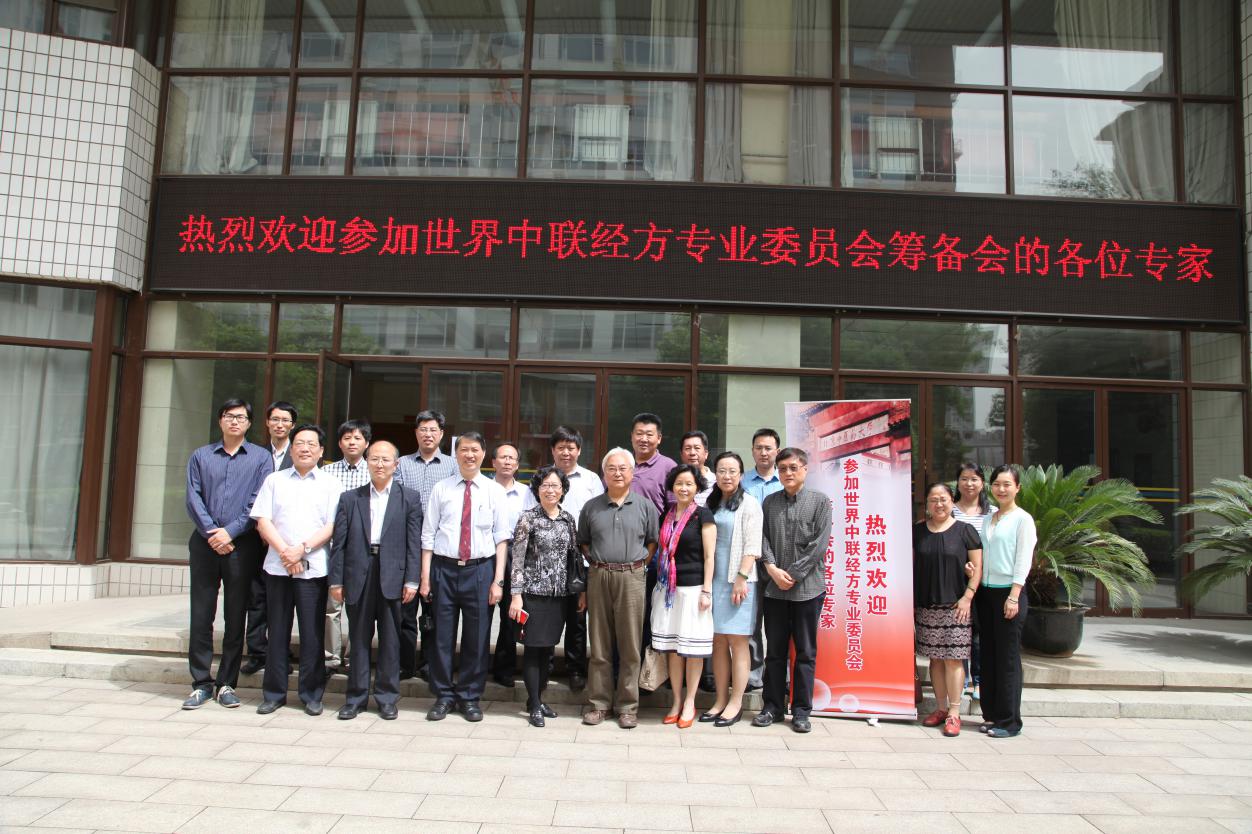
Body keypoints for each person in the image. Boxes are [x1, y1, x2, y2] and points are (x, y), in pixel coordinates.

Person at [182, 398, 272, 710]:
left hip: (242, 545)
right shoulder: (201, 456)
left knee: (235, 615)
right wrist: (212, 533)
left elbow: (258, 501)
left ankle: (226, 683)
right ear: (220, 420)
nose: (234, 421)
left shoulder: (261, 458)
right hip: (205, 543)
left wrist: (230, 532)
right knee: (201, 613)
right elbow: (193, 497)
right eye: (229, 416)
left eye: (241, 417)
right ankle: (200, 683)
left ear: (249, 423)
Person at [251, 424, 344, 716]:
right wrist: (286, 552)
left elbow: (332, 525)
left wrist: (301, 549)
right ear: (291, 450)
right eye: (299, 443)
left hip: (313, 570)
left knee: (312, 633)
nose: (305, 448)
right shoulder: (274, 480)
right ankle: (274, 693)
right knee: (277, 631)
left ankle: (311, 694)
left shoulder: (330, 484)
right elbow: (262, 520)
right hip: (278, 568)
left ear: (321, 451)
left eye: (311, 444)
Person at [419, 431, 511, 722]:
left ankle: (470, 697)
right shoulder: (441, 488)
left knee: (477, 637)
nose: (469, 455)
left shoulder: (494, 491)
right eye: (464, 450)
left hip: (480, 570)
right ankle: (444, 696)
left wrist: (498, 581)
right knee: (441, 637)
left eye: (474, 450)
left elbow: (501, 539)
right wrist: (425, 577)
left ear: (483, 454)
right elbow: (428, 535)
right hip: (443, 569)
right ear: (455, 454)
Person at [328, 440, 421, 720]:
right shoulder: (350, 498)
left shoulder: (409, 498)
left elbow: (413, 543)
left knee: (391, 640)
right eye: (374, 459)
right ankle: (355, 698)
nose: (380, 464)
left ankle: (387, 697)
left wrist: (412, 580)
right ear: (367, 462)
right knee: (358, 638)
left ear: (396, 464)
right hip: (359, 571)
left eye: (385, 459)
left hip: (393, 573)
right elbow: (339, 543)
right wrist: (336, 580)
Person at [752, 447, 832, 734]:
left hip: (808, 590)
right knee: (775, 652)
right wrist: (772, 569)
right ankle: (772, 707)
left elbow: (819, 545)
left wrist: (794, 574)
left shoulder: (820, 502)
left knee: (806, 653)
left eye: (793, 468)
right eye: (783, 468)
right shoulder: (770, 503)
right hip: (774, 590)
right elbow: (761, 539)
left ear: (805, 469)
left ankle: (801, 711)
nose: (787, 473)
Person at [579, 447, 659, 729]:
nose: (617, 473)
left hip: (632, 578)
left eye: (623, 468)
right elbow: (583, 542)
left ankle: (627, 706)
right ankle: (599, 704)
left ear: (632, 472)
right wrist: (597, 563)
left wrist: (637, 565)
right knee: (600, 644)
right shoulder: (591, 507)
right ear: (604, 473)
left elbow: (652, 542)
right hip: (599, 576)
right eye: (611, 468)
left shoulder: (645, 506)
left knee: (630, 645)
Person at [509, 465, 580, 727]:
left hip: (559, 596)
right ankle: (535, 704)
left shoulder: (568, 519)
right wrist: (516, 596)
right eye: (545, 485)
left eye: (555, 486)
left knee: (548, 649)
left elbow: (574, 557)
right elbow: (517, 560)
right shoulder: (528, 518)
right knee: (533, 650)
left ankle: (537, 700)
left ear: (563, 490)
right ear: (537, 489)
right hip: (532, 595)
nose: (550, 490)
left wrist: (579, 592)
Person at [914, 482, 982, 738]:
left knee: (954, 659)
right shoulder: (918, 531)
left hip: (956, 606)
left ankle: (954, 712)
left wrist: (968, 596)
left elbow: (977, 568)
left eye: (943, 499)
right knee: (934, 659)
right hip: (926, 606)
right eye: (933, 500)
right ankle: (941, 708)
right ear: (927, 504)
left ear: (952, 501)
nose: (939, 504)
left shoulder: (966, 531)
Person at [650, 463, 715, 728]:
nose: (683, 488)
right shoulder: (666, 514)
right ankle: (676, 701)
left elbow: (710, 557)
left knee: (692, 650)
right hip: (668, 590)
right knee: (673, 649)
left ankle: (690, 702)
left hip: (693, 590)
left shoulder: (703, 515)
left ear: (697, 487)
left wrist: (706, 591)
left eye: (689, 484)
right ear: (672, 487)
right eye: (679, 483)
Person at [701, 451, 762, 728]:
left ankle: (736, 702)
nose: (727, 476)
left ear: (741, 475)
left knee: (738, 642)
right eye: (722, 471)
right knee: (717, 641)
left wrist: (741, 577)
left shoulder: (749, 504)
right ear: (715, 474)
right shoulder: (711, 502)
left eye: (732, 471)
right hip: (713, 581)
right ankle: (720, 700)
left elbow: (753, 545)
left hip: (739, 582)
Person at [395, 410, 457, 680]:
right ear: (416, 433)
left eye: (433, 430)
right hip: (407, 546)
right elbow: (397, 502)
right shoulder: (402, 464)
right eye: (423, 429)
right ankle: (405, 664)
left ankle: (430, 665)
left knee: (435, 611)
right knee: (405, 609)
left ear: (441, 434)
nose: (428, 434)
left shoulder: (453, 466)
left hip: (440, 547)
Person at [976, 464, 1036, 739]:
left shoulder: (1023, 520)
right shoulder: (989, 518)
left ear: (1017, 488)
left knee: (1008, 659)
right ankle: (992, 715)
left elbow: (1023, 560)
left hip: (1009, 594)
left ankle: (1010, 722)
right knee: (989, 655)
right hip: (985, 593)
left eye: (1007, 484)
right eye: (997, 484)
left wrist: (1014, 595)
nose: (1001, 489)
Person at [241, 400, 298, 676]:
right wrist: (260, 529)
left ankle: (279, 652)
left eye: (285, 420)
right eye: (275, 419)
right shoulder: (254, 454)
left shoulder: (300, 454)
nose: (279, 424)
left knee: (283, 600)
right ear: (267, 422)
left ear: (292, 425)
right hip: (256, 536)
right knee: (257, 596)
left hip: (286, 541)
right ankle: (257, 651)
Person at [549, 425, 604, 692]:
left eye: (570, 448)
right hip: (547, 562)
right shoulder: (544, 477)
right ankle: (545, 664)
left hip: (580, 561)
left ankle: (575, 668)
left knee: (577, 618)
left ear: (579, 450)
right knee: (546, 615)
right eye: (561, 447)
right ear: (553, 450)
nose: (566, 452)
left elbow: (599, 519)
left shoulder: (591, 480)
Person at [322, 418, 373, 676]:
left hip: (363, 550)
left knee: (359, 607)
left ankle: (355, 656)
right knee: (332, 607)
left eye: (357, 438)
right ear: (340, 443)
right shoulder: (327, 473)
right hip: (333, 546)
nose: (352, 442)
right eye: (347, 438)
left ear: (367, 443)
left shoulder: (374, 471)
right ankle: (330, 658)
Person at [490, 441, 537, 687]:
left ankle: (504, 668)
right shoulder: (484, 489)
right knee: (481, 614)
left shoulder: (527, 493)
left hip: (515, 556)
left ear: (518, 465)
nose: (507, 461)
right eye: (503, 457)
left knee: (510, 614)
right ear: (493, 462)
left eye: (512, 458)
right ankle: (477, 666)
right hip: (486, 554)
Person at [741, 427, 783, 691]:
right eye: (759, 448)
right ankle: (753, 674)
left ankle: (780, 676)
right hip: (750, 561)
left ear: (777, 450)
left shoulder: (786, 479)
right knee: (751, 619)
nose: (764, 452)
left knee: (779, 622)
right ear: (752, 450)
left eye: (768, 448)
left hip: (779, 561)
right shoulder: (742, 482)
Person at [951, 461, 991, 701]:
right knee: (959, 630)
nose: (969, 484)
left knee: (977, 633)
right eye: (964, 479)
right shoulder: (949, 509)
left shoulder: (992, 512)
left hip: (984, 581)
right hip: (956, 581)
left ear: (982, 483)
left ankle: (978, 680)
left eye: (974, 479)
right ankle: (962, 678)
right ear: (957, 483)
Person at [628, 412, 676, 515]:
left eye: (649, 435)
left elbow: (676, 507)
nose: (644, 439)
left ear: (659, 438)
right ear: (631, 436)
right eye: (639, 434)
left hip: (654, 525)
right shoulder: (621, 463)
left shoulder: (669, 467)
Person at [680, 430, 716, 507]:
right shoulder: (676, 482)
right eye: (687, 448)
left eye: (697, 448)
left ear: (706, 454)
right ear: (681, 454)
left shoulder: (716, 482)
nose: (692, 453)